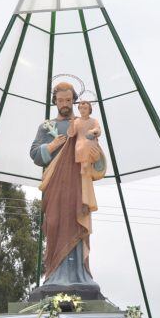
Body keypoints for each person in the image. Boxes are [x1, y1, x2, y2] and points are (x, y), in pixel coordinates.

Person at [28, 82, 106, 299]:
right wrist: (52, 146)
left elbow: (95, 156)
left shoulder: (83, 123)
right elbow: (35, 153)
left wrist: (93, 147)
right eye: (60, 100)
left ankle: (79, 275)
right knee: (53, 224)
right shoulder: (46, 127)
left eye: (68, 100)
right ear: (55, 102)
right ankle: (54, 275)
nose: (64, 104)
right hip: (55, 185)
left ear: (74, 101)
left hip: (77, 184)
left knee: (76, 222)